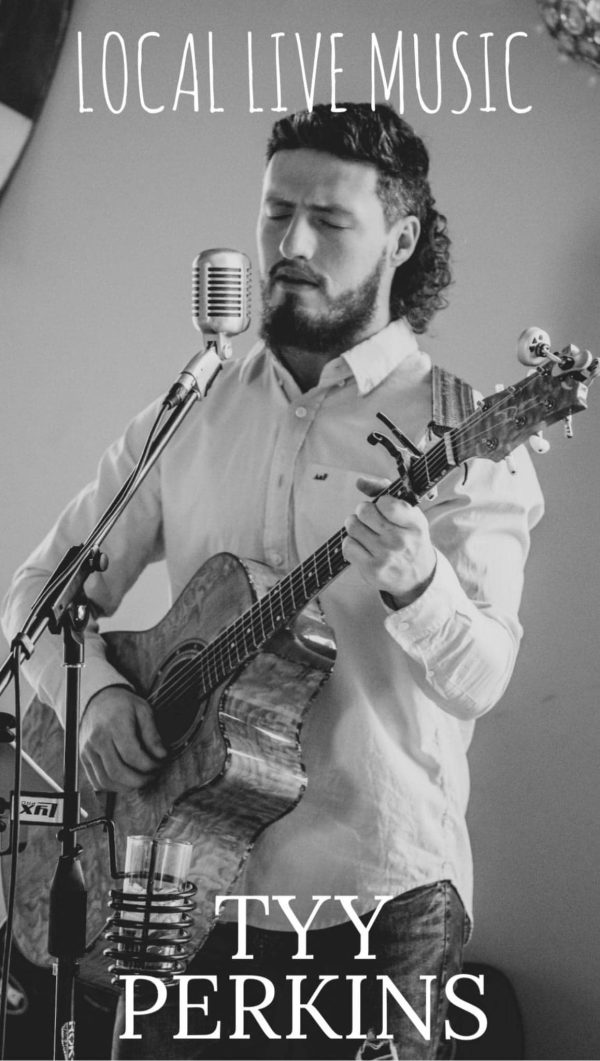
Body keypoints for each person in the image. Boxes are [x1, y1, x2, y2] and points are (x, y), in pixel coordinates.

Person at [1, 103, 544, 1059]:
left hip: (376, 905)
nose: (289, 244)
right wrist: (99, 703)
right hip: (176, 898)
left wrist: (420, 583)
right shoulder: (193, 408)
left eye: (329, 220)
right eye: (274, 212)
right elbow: (36, 595)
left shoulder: (467, 435)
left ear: (401, 238)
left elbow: (484, 676)